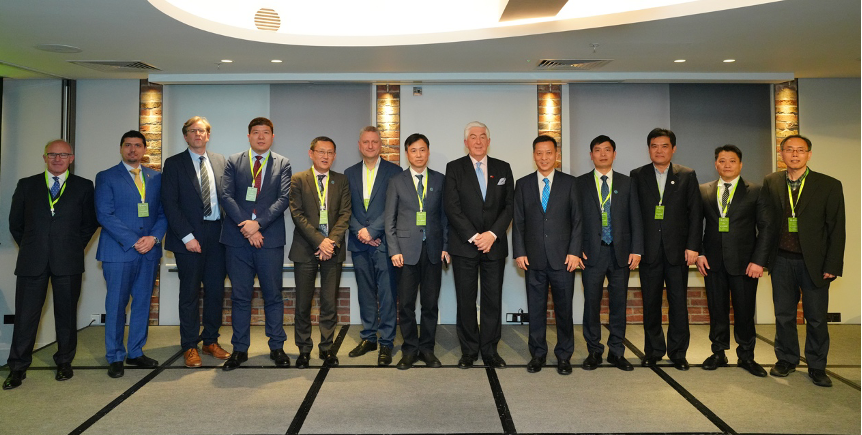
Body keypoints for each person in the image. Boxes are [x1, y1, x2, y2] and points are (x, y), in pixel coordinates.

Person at [4, 140, 99, 390]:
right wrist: (33, 246)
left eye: (63, 155)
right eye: (53, 154)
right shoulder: (27, 185)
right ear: (44, 157)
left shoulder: (84, 186)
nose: (58, 159)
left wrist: (73, 246)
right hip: (32, 261)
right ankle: (17, 367)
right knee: (25, 316)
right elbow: (15, 224)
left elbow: (90, 223)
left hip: (68, 261)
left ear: (71, 158)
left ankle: (64, 362)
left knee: (66, 315)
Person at [762, 135, 845, 387]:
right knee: (784, 315)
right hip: (781, 260)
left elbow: (837, 228)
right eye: (789, 150)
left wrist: (832, 265)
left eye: (800, 150)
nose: (795, 154)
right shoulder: (772, 181)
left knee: (816, 317)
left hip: (815, 263)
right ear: (782, 154)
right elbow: (766, 223)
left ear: (809, 154)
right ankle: (786, 359)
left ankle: (817, 365)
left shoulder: (829, 185)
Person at [219, 117, 292, 371]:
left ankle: (277, 347)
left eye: (266, 132)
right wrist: (247, 227)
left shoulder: (283, 163)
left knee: (273, 296)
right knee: (240, 297)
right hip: (237, 241)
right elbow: (226, 196)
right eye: (256, 132)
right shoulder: (234, 161)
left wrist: (258, 224)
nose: (261, 137)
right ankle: (239, 349)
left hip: (269, 240)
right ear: (248, 136)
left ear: (273, 136)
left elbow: (284, 199)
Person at [95, 130, 168, 378]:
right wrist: (134, 241)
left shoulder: (156, 177)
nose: (132, 149)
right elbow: (104, 214)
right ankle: (115, 356)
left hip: (149, 251)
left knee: (143, 303)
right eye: (128, 145)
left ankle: (135, 352)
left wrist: (154, 238)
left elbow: (163, 213)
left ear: (144, 149)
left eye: (137, 145)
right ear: (121, 148)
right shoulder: (106, 177)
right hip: (119, 251)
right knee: (116, 305)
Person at [696, 145, 771, 377]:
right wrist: (699, 253)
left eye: (732, 161)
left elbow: (766, 228)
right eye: (722, 161)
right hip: (712, 262)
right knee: (716, 310)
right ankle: (718, 352)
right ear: (715, 164)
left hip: (745, 263)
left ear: (740, 164)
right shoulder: (703, 190)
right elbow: (695, 225)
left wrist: (758, 261)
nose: (726, 165)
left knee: (744, 312)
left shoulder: (756, 191)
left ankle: (746, 356)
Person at [444, 121, 514, 369]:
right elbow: (452, 207)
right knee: (466, 300)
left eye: (482, 136)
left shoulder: (503, 167)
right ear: (465, 142)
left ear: (489, 141)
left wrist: (492, 234)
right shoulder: (454, 168)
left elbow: (510, 206)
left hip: (494, 246)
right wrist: (475, 236)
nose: (478, 141)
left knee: (492, 300)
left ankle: (490, 350)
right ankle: (469, 350)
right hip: (465, 246)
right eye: (473, 137)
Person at [161, 116, 231, 368]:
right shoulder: (174, 163)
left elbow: (228, 198)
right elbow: (170, 203)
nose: (198, 134)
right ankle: (190, 345)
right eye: (193, 131)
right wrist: (187, 237)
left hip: (217, 235)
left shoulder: (220, 161)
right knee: (189, 293)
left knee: (215, 292)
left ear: (208, 135)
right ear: (186, 136)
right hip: (188, 237)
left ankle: (210, 341)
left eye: (202, 131)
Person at [630, 128, 701, 370]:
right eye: (654, 146)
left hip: (677, 251)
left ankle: (678, 352)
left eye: (664, 146)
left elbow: (695, 213)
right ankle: (653, 351)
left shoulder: (687, 175)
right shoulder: (637, 175)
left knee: (678, 304)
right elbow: (634, 215)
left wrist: (693, 246)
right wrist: (636, 248)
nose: (659, 151)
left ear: (673, 149)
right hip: (649, 251)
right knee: (650, 304)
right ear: (648, 149)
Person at [513, 135, 583, 375]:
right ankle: (538, 354)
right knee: (536, 310)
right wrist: (519, 252)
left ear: (556, 155)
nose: (544, 158)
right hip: (533, 259)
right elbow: (518, 221)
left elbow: (578, 220)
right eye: (539, 153)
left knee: (564, 310)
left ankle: (564, 356)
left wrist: (574, 251)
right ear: (534, 155)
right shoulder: (523, 184)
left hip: (563, 259)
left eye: (549, 153)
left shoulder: (570, 183)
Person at [577, 135, 643, 372]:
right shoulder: (580, 183)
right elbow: (574, 220)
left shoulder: (627, 183)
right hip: (591, 253)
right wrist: (576, 249)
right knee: (591, 304)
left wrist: (636, 249)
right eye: (597, 150)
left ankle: (617, 351)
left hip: (620, 253)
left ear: (614, 154)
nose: (602, 154)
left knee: (618, 304)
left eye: (607, 150)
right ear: (591, 155)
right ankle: (594, 350)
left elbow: (636, 218)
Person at [384, 133, 450, 370]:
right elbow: (389, 220)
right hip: (405, 252)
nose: (419, 155)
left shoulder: (440, 180)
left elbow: (445, 218)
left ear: (428, 152)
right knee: (406, 305)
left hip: (433, 251)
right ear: (407, 154)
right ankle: (410, 349)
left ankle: (427, 349)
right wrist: (394, 250)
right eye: (413, 150)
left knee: (430, 304)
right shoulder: (396, 181)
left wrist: (445, 246)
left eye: (422, 150)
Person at [289, 136, 351, 368]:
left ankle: (327, 348)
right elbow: (297, 214)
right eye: (321, 151)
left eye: (330, 152)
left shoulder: (341, 180)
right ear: (311, 153)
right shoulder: (298, 179)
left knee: (329, 303)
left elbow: (345, 214)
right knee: (303, 304)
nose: (325, 156)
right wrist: (319, 242)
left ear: (334, 156)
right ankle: (304, 349)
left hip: (332, 251)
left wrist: (330, 243)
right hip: (305, 249)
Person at [344, 126, 401, 365]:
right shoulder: (349, 173)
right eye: (366, 142)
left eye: (374, 142)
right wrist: (361, 232)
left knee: (387, 295)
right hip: (359, 244)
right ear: (359, 145)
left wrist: (374, 231)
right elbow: (345, 208)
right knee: (365, 293)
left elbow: (394, 207)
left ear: (380, 145)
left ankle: (386, 341)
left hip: (385, 243)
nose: (370, 146)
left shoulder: (394, 172)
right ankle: (368, 337)